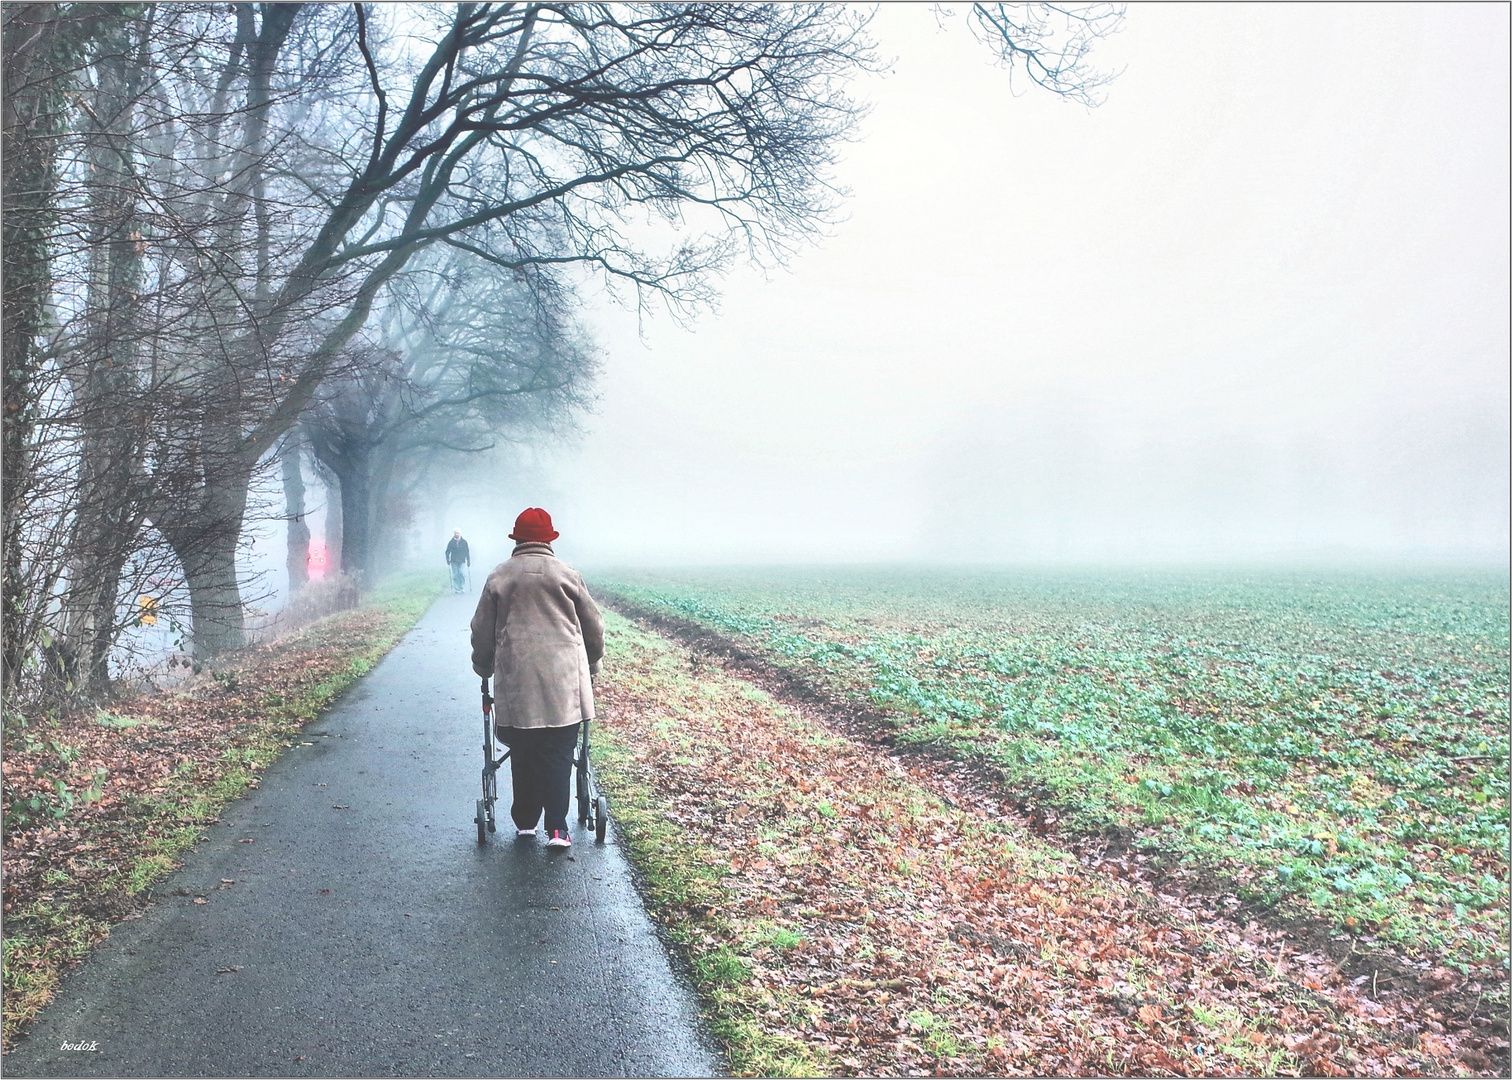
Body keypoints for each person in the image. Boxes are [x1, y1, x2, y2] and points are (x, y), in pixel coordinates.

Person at [469, 507, 604, 848]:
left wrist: (483, 666)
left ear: (516, 539)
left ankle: (526, 820)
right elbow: (594, 626)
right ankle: (558, 827)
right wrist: (593, 663)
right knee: (559, 753)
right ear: (549, 539)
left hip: (518, 683)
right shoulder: (566, 575)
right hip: (564, 685)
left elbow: (481, 630)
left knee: (524, 749)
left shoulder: (500, 576)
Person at [445, 529, 470, 593]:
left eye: (458, 533)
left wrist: (468, 560)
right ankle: (457, 588)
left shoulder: (464, 542)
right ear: (454, 534)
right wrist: (447, 559)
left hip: (462, 560)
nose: (456, 534)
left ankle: (462, 587)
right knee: (455, 574)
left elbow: (467, 551)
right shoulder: (451, 542)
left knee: (461, 573)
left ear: (460, 534)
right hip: (454, 561)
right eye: (455, 533)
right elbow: (447, 551)